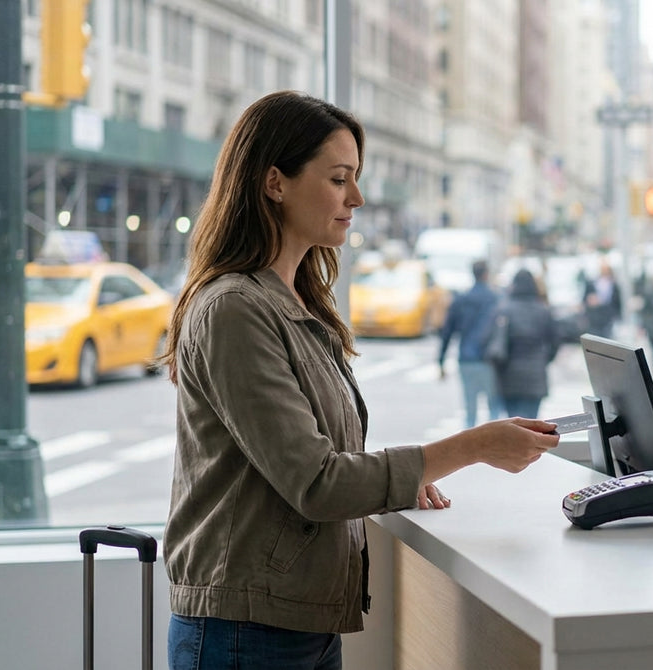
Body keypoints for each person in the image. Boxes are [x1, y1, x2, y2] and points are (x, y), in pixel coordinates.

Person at [159, 91, 560, 669]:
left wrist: (403, 477)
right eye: (339, 178)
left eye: (356, 178)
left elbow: (313, 454)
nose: (357, 197)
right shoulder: (234, 309)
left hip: (295, 619)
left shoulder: (293, 302)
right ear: (275, 182)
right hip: (244, 632)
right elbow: (316, 483)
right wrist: (472, 447)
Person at [438, 259, 505, 427]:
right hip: (490, 360)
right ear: (486, 274)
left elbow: (448, 332)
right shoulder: (496, 298)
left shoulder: (461, 299)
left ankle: (471, 450)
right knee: (494, 407)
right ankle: (495, 446)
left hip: (466, 359)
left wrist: (441, 361)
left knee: (470, 409)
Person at [493, 268, 560, 419]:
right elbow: (555, 340)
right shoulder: (542, 310)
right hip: (535, 370)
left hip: (509, 371)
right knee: (532, 422)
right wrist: (545, 358)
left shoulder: (505, 309)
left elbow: (494, 340)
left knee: (513, 421)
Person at [582, 259, 622, 338]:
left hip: (608, 317)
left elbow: (617, 302)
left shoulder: (614, 284)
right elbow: (585, 299)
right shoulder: (592, 283)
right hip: (594, 318)